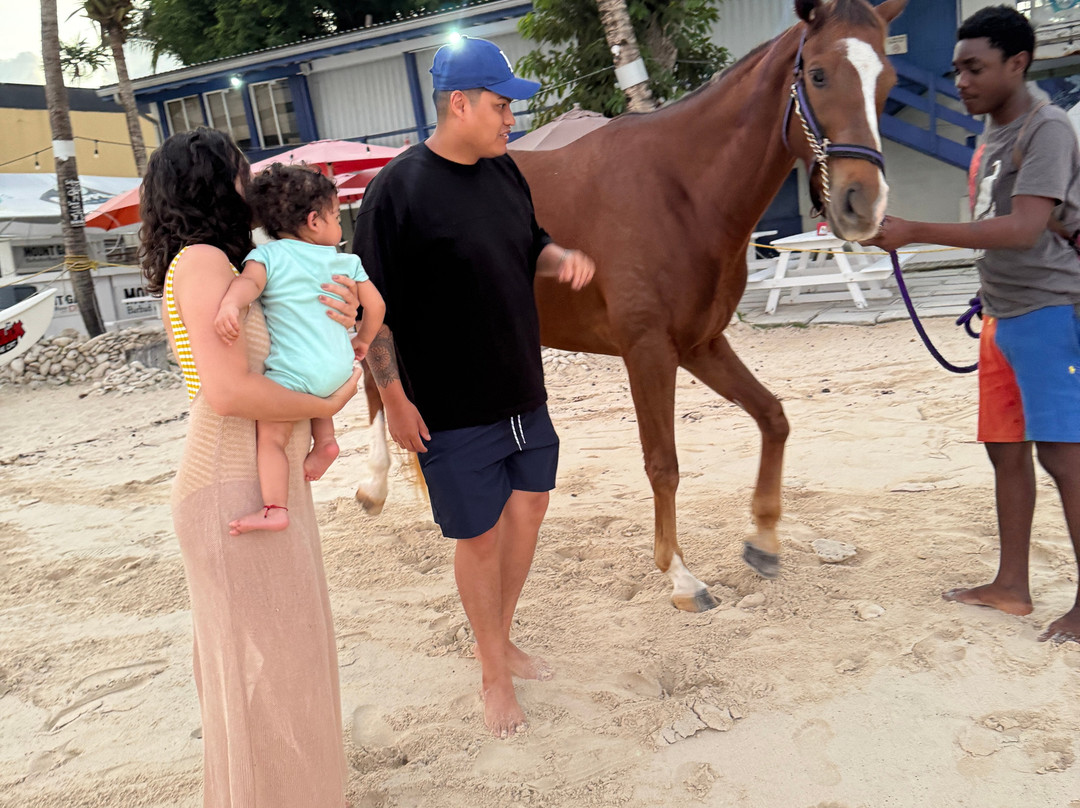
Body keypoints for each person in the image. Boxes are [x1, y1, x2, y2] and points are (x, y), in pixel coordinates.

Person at [353, 36, 596, 738]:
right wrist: (394, 400)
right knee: (480, 538)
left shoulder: (506, 174)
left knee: (531, 510)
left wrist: (561, 260)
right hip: (448, 407)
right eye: (500, 106)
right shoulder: (395, 191)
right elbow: (371, 311)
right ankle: (493, 670)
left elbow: (531, 244)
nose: (510, 118)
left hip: (523, 389)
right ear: (458, 104)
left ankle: (500, 636)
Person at [140, 127, 362, 805]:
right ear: (214, 183)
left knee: (281, 662)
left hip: (257, 478)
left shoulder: (235, 263)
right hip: (230, 485)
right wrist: (324, 400)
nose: (251, 185)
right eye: (241, 173)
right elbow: (229, 392)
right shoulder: (205, 260)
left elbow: (286, 349)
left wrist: (341, 317)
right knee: (270, 669)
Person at [864, 6, 1080, 644]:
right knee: (1004, 453)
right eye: (956, 68)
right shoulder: (990, 139)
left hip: (1050, 312)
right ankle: (1012, 585)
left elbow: (1022, 228)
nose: (960, 80)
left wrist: (916, 231)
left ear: (1018, 63)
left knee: (1066, 460)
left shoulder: (1049, 130)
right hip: (1000, 317)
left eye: (975, 68)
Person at [214, 163, 385, 535]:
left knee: (271, 438)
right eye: (336, 216)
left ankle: (275, 508)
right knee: (318, 382)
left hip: (296, 372)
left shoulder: (267, 257)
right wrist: (362, 341)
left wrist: (230, 304)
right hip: (339, 366)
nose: (340, 226)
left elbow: (248, 286)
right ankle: (325, 441)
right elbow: (377, 307)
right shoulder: (346, 261)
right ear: (314, 221)